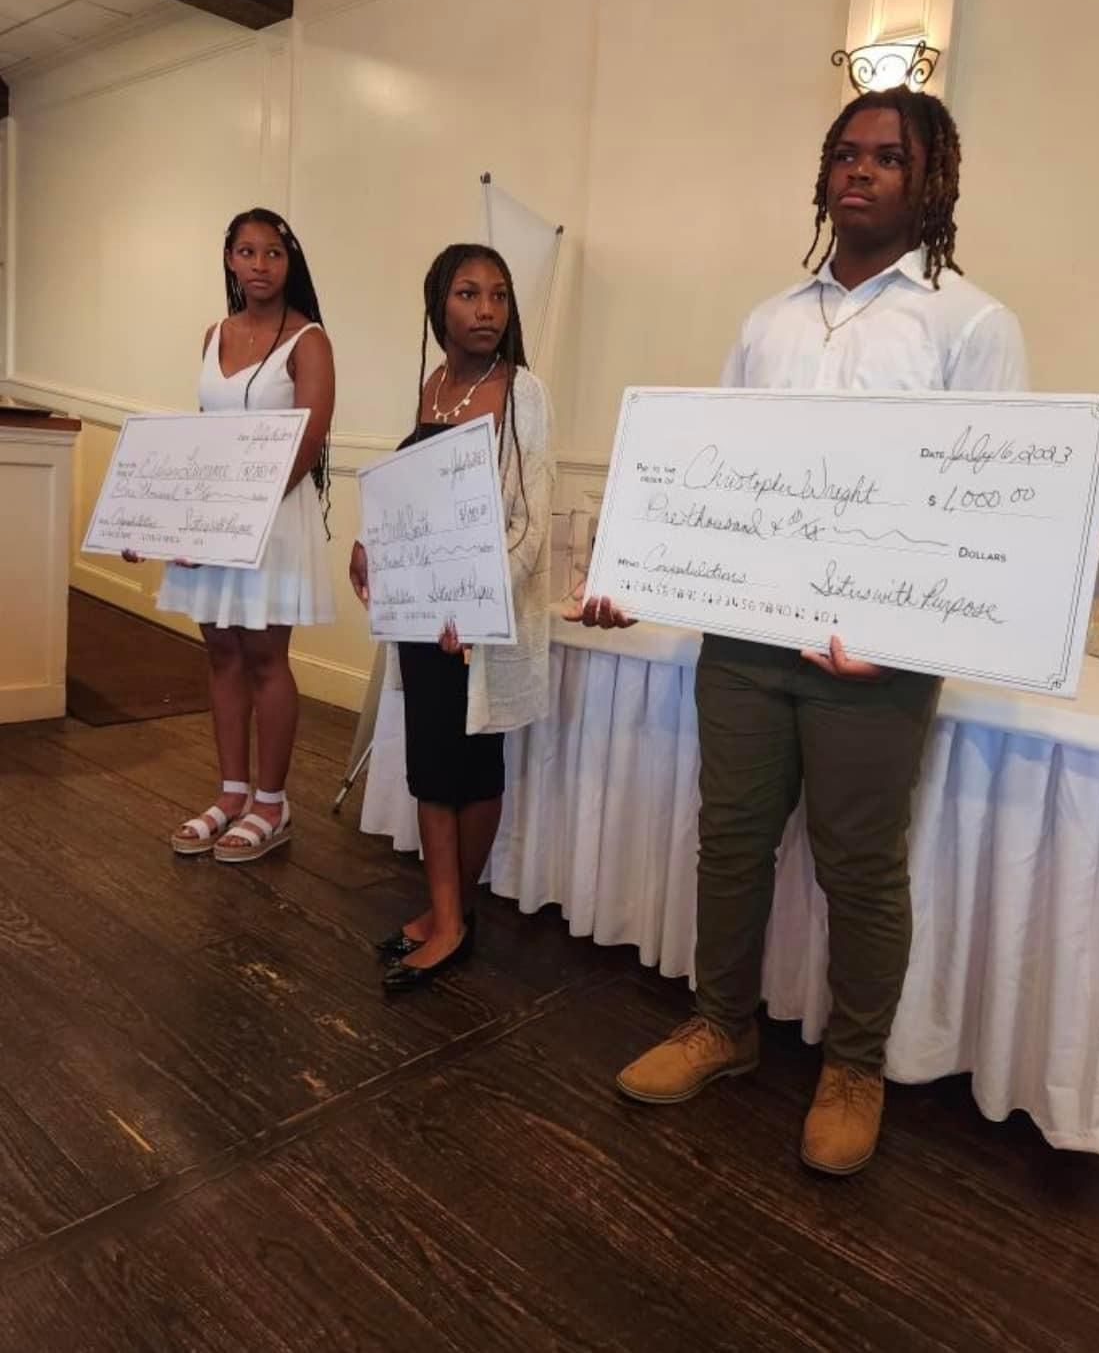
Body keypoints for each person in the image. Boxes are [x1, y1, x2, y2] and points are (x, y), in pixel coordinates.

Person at [577, 89, 1028, 1175]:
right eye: (844, 153)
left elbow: (991, 509)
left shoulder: (973, 324)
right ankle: (722, 1027)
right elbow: (715, 470)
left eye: (886, 156)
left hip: (876, 659)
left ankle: (856, 1066)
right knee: (729, 838)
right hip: (743, 641)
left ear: (933, 183)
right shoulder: (768, 320)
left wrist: (906, 633)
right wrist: (637, 566)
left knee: (859, 865)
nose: (859, 171)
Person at [350, 245, 554, 992]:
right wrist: (374, 544)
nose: (487, 311)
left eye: (499, 296)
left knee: (474, 767)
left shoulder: (522, 391)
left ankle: (452, 917)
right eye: (469, 295)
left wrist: (476, 603)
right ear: (439, 304)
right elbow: (416, 500)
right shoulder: (433, 386)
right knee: (430, 766)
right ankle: (444, 913)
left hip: (478, 626)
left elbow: (531, 525)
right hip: (421, 617)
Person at [124, 208, 335, 860]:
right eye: (247, 252)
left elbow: (311, 439)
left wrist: (245, 507)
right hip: (212, 521)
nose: (260, 265)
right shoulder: (212, 334)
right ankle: (230, 793)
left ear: (288, 261)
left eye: (272, 253)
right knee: (220, 654)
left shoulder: (310, 340)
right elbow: (197, 440)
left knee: (267, 658)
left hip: (272, 522)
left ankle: (272, 804)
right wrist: (158, 518)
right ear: (229, 261)